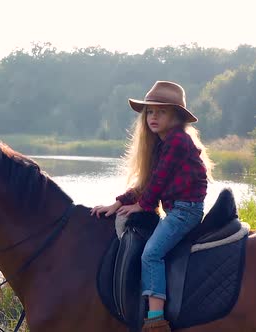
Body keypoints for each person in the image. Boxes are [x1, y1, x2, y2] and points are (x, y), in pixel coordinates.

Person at [90, 81, 213, 331]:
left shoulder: (178, 141)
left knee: (152, 253)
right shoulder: (162, 143)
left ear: (176, 116)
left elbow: (158, 180)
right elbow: (147, 181)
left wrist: (142, 206)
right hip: (177, 209)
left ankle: (156, 320)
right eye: (150, 112)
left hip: (185, 210)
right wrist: (118, 202)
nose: (153, 117)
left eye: (162, 111)